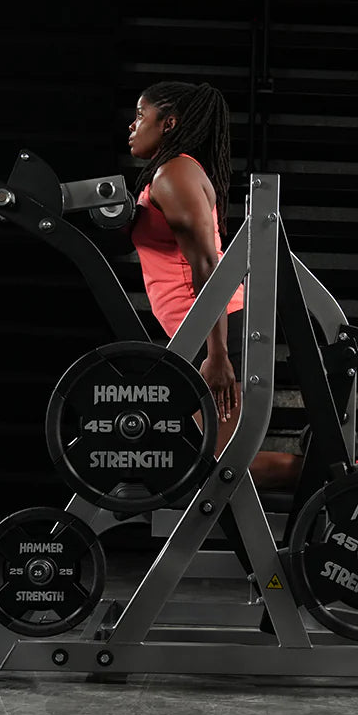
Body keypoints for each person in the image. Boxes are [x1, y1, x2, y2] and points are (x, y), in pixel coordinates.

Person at [127, 80, 302, 491]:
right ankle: (345, 473)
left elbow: (208, 265)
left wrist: (218, 354)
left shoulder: (174, 174)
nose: (132, 126)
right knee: (202, 464)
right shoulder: (171, 173)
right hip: (200, 332)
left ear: (169, 123)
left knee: (215, 467)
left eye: (140, 115)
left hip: (219, 333)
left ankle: (354, 475)